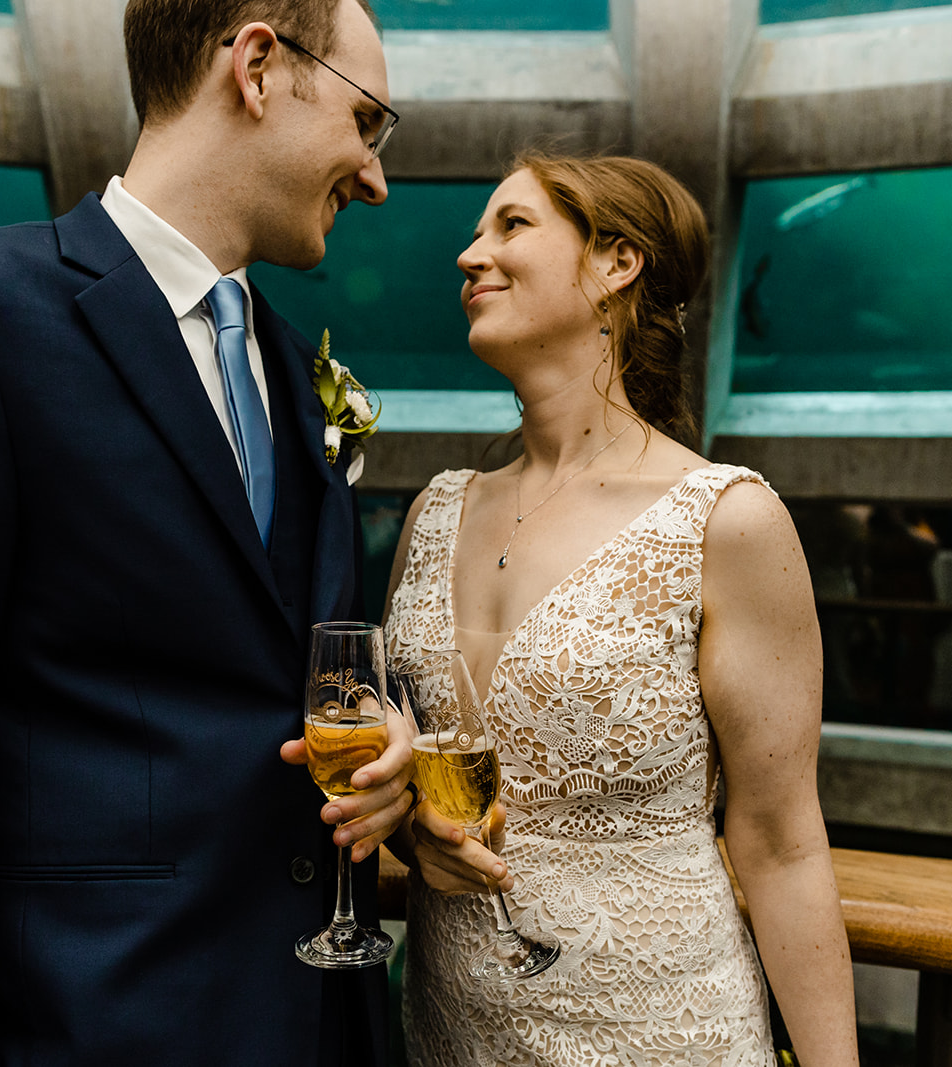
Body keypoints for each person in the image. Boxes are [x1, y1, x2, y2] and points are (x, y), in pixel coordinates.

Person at [0, 1, 415, 1063]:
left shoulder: (292, 361)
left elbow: (282, 661)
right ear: (260, 66)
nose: (374, 177)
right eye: (367, 124)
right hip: (90, 1025)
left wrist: (389, 749)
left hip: (318, 1024)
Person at [382, 153, 859, 1066]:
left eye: (510, 226)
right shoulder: (435, 510)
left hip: (656, 1031)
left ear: (616, 263)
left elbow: (782, 842)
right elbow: (422, 756)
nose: (468, 254)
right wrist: (415, 831)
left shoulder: (726, 520)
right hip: (453, 1031)